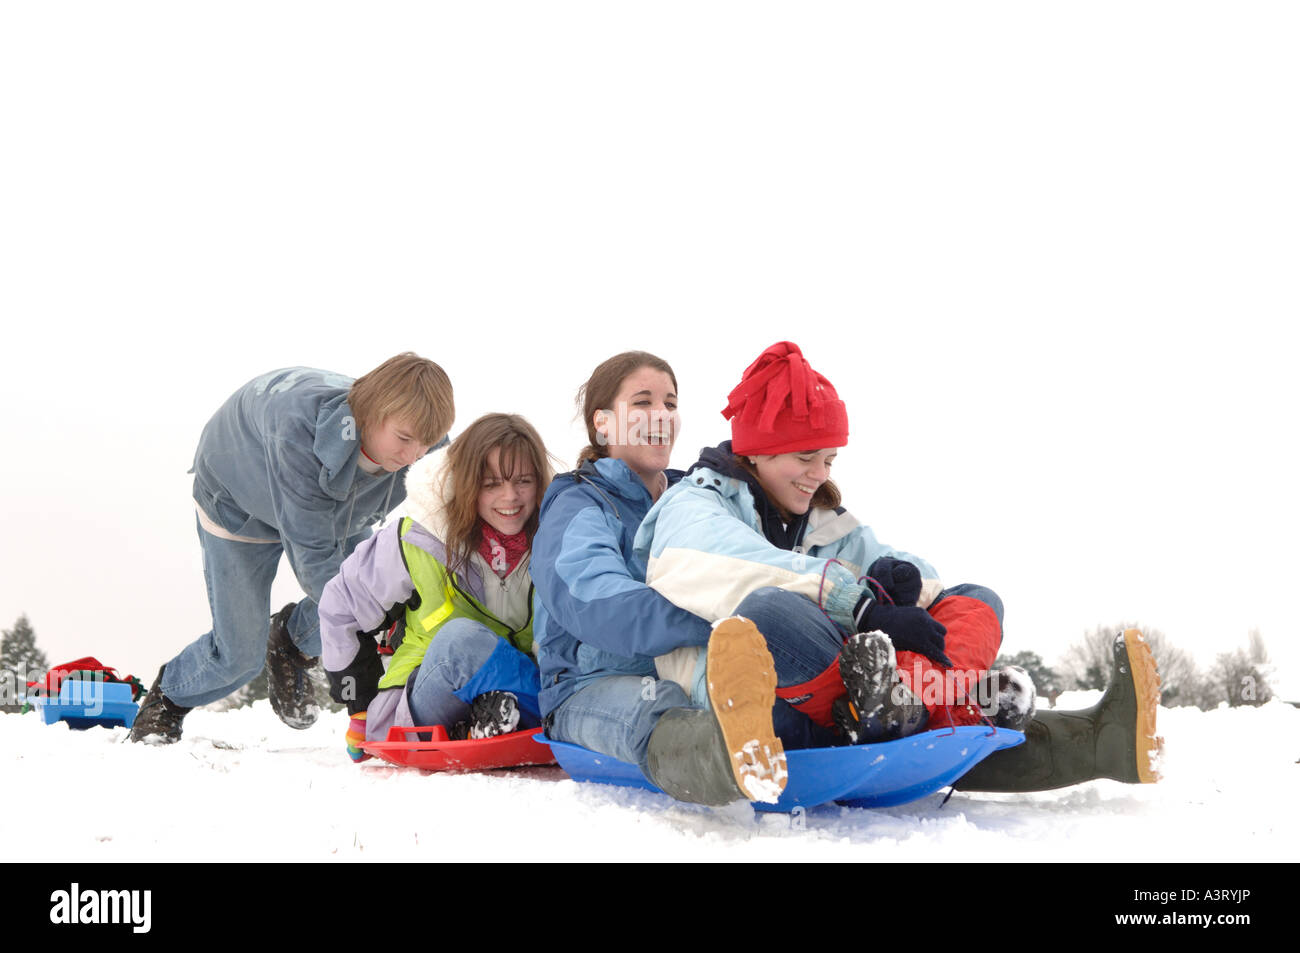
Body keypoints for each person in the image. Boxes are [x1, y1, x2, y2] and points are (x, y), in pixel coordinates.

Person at [634, 340, 1162, 793]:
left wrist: (899, 581)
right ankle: (941, 706)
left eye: (830, 461)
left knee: (976, 597)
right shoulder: (694, 504)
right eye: (805, 458)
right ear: (758, 452)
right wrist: (860, 607)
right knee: (770, 610)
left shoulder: (822, 520)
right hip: (754, 704)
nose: (819, 474)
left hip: (858, 697)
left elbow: (920, 579)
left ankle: (906, 704)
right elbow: (725, 566)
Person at [130, 355, 455, 744]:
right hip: (239, 507)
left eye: (425, 443)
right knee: (240, 656)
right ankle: (168, 698)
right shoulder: (297, 430)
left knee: (374, 594)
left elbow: (440, 525)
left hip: (339, 512)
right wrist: (372, 628)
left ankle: (291, 642)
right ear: (372, 413)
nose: (414, 456)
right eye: (404, 440)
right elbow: (313, 553)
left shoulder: (424, 442)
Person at [532, 352, 791, 808]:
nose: (661, 416)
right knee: (657, 704)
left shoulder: (692, 496)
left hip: (693, 667)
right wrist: (714, 619)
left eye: (670, 404)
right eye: (643, 402)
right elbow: (598, 601)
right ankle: (731, 763)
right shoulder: (579, 504)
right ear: (604, 424)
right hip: (589, 687)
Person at [319, 414, 553, 760]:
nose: (510, 497)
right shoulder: (420, 538)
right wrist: (359, 705)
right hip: (428, 700)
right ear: (467, 484)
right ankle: (535, 716)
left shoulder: (557, 540)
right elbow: (341, 606)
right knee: (462, 641)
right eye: (491, 484)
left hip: (530, 694)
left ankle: (490, 719)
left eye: (523, 481)